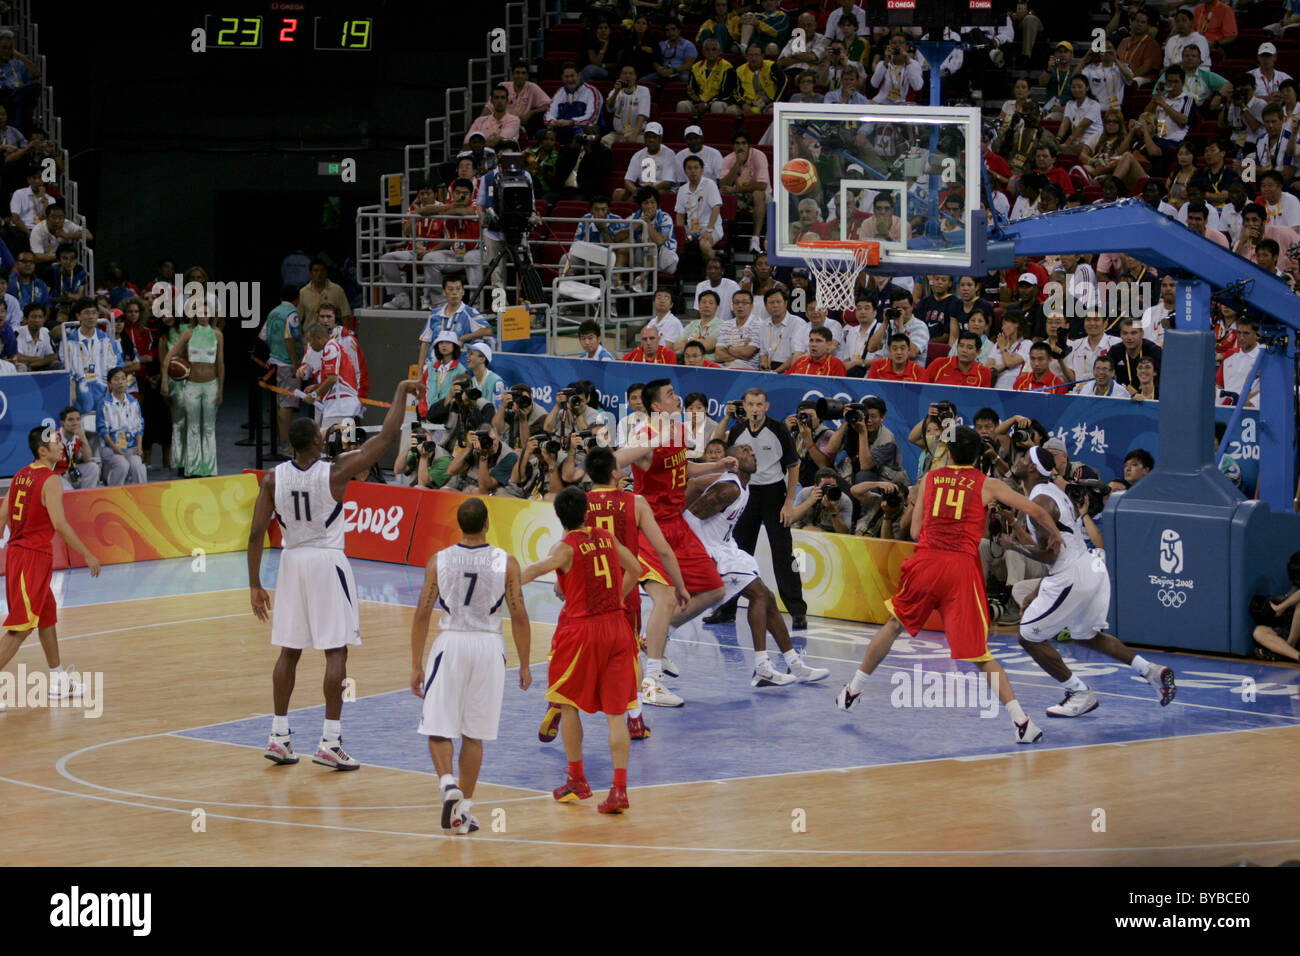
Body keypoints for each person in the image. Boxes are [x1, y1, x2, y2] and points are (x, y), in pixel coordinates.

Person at [835, 426, 1063, 745]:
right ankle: (1022, 722)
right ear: (977, 454)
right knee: (981, 654)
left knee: (893, 626)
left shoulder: (928, 480)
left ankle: (852, 689)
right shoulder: (987, 484)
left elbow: (914, 533)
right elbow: (1036, 510)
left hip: (927, 562)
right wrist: (1054, 533)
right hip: (959, 570)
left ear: (950, 452)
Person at [249, 379, 424, 769]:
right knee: (336, 650)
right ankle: (329, 741)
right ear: (315, 441)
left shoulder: (272, 478)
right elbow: (390, 435)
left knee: (289, 651)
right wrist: (400, 391)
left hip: (291, 562)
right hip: (327, 560)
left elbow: (257, 532)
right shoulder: (336, 471)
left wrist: (255, 583)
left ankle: (279, 736)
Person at [1004, 447, 1176, 714]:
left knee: (1028, 637)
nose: (1019, 458)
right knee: (1086, 635)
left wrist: (1012, 546)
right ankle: (1151, 671)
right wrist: (1036, 590)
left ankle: (1079, 692)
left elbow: (1051, 555)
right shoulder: (1053, 494)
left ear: (1032, 468)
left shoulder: (1040, 503)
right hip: (1089, 566)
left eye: (1024, 456)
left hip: (1070, 575)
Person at [539, 446, 689, 743]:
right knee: (626, 656)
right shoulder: (636, 502)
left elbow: (565, 544)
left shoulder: (581, 502)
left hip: (584, 590)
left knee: (567, 653)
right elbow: (662, 549)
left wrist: (560, 584)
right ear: (614, 472)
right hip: (623, 591)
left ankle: (557, 702)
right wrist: (679, 584)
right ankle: (634, 720)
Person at [410, 498, 532, 835]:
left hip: (451, 643)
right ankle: (463, 811)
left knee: (437, 727)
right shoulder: (506, 562)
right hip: (489, 647)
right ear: (487, 524)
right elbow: (519, 614)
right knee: (474, 735)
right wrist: (524, 664)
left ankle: (448, 784)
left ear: (459, 525)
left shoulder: (439, 560)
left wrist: (416, 664)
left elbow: (421, 612)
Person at [522, 487, 644, 814]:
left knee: (566, 703)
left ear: (559, 517)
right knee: (616, 714)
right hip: (618, 628)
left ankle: (577, 779)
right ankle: (619, 789)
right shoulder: (605, 537)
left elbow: (535, 570)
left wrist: (502, 583)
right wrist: (619, 597)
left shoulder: (564, 549)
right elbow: (636, 568)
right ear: (587, 512)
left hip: (582, 631)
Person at [616, 380, 733, 706]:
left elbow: (683, 468)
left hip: (677, 526)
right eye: (669, 395)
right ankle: (651, 684)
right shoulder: (645, 434)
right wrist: (651, 444)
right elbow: (618, 459)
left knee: (714, 591)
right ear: (656, 407)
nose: (677, 397)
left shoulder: (680, 430)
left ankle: (656, 636)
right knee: (665, 597)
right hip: (648, 528)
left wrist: (716, 466)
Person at [686, 446, 829, 687]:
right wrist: (696, 554)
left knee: (768, 598)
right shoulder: (728, 487)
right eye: (745, 451)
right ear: (733, 460)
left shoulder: (742, 485)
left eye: (752, 451)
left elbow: (696, 486)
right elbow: (691, 516)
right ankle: (763, 667)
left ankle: (794, 664)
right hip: (711, 552)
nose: (751, 454)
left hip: (726, 547)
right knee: (760, 594)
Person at [0, 425, 103, 712]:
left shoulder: (20, 474)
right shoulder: (50, 480)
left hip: (22, 557)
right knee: (20, 629)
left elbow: (2, 516)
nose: (60, 446)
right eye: (55, 443)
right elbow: (59, 525)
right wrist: (87, 554)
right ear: (42, 451)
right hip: (31, 558)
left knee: (46, 617)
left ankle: (58, 680)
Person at [720, 387, 807, 629]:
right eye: (751, 405)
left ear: (766, 407)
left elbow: (793, 466)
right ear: (744, 406)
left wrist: (789, 502)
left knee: (783, 552)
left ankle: (798, 611)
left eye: (759, 405)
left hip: (774, 493)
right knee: (737, 551)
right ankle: (726, 609)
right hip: (747, 494)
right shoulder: (737, 430)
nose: (755, 410)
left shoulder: (779, 430)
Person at [160, 301, 223, 477]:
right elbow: (168, 358)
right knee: (194, 426)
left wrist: (221, 390)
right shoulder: (188, 334)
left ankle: (209, 469)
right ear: (194, 315)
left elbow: (221, 364)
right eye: (199, 312)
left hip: (211, 384)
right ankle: (193, 468)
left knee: (209, 427)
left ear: (211, 314)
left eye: (206, 312)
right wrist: (165, 381)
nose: (203, 315)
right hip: (192, 385)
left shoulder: (217, 334)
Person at [99, 368, 147, 486]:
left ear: (127, 382)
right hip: (110, 448)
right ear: (110, 384)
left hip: (130, 447)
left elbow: (139, 426)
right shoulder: (104, 403)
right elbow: (102, 429)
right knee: (123, 465)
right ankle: (113, 493)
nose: (120, 382)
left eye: (123, 379)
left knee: (138, 466)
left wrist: (139, 447)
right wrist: (115, 448)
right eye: (116, 379)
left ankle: (143, 495)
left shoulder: (134, 402)